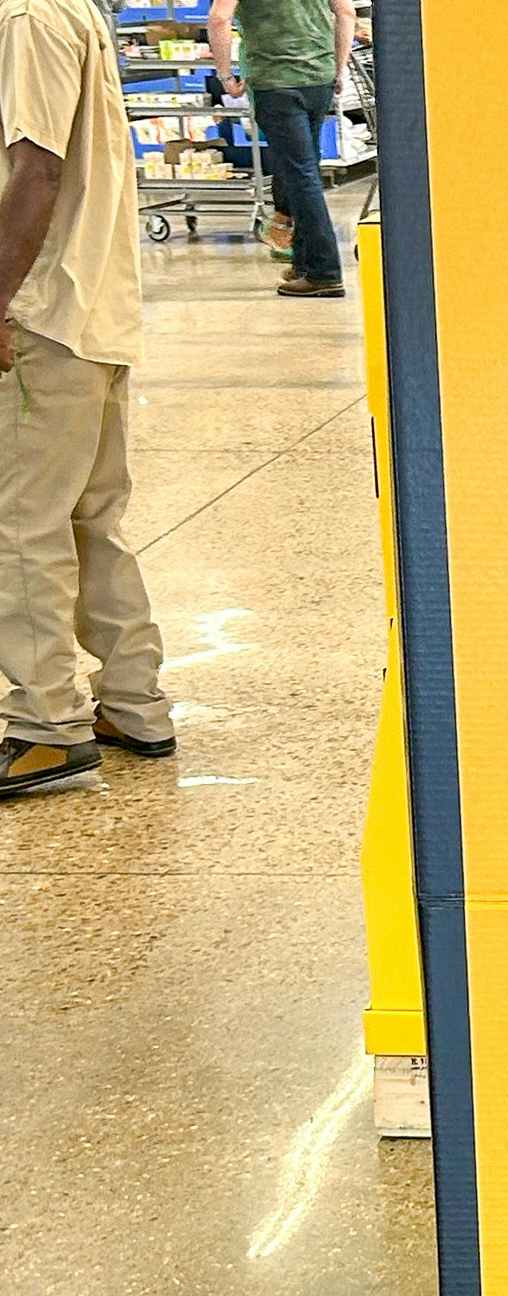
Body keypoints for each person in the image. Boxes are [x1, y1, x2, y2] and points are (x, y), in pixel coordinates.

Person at [0, 0, 176, 799]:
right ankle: (134, 703)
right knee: (87, 516)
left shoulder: (26, 17)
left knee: (20, 522)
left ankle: (45, 727)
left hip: (44, 310)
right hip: (96, 309)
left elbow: (35, 169)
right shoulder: (71, 6)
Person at [209, 0, 354, 299]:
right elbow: (345, 12)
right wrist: (339, 68)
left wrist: (225, 77)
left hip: (276, 81)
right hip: (318, 77)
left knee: (301, 177)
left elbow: (219, 19)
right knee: (304, 170)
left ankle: (324, 273)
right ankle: (304, 262)